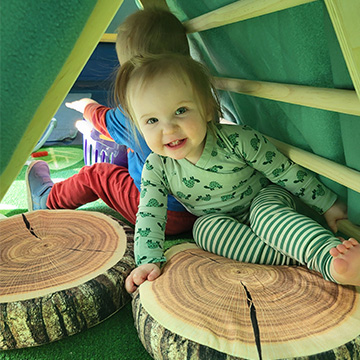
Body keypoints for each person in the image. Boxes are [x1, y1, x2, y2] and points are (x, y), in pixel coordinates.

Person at [116, 53, 360, 293]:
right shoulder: (156, 167)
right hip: (221, 222)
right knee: (203, 231)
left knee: (267, 217)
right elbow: (150, 213)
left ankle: (328, 259)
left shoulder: (238, 140)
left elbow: (284, 171)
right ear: (138, 125)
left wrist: (327, 203)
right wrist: (148, 259)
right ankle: (297, 254)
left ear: (208, 109)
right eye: (151, 121)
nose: (168, 128)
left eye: (181, 110)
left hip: (263, 198)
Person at [25, 8, 197, 235]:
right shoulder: (197, 102)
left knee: (95, 174)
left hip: (159, 213)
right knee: (130, 155)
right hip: (199, 208)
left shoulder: (137, 113)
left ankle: (47, 200)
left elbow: (103, 120)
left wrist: (86, 106)